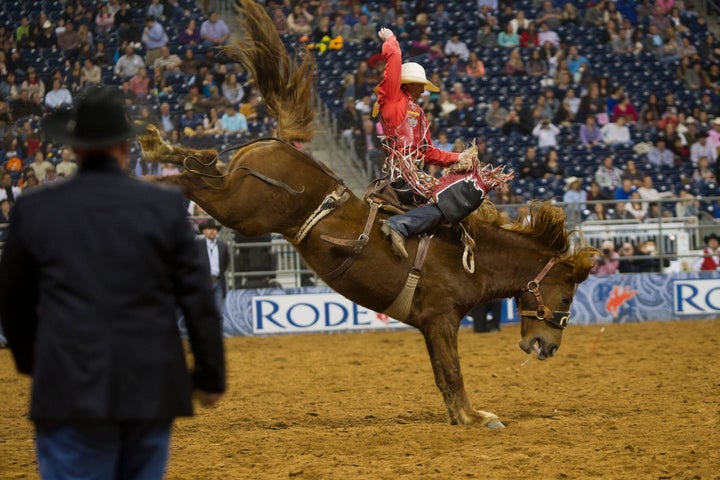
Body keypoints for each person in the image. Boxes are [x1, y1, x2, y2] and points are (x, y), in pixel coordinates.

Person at [0, 86, 226, 480]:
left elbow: (13, 302)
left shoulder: (34, 209)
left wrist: (33, 362)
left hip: (67, 384)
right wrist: (209, 376)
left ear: (73, 149)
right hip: (149, 385)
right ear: (124, 148)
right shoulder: (165, 208)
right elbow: (197, 298)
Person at [375, 28, 512, 258]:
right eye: (420, 84)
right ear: (408, 83)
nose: (423, 88)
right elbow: (394, 64)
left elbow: (427, 152)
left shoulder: (418, 112)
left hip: (414, 173)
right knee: (450, 204)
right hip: (401, 175)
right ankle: (399, 225)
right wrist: (391, 41)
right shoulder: (391, 98)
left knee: (454, 204)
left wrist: (458, 157)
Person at [196, 218, 230, 316]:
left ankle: (217, 331)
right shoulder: (197, 245)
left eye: (214, 229)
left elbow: (225, 262)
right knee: (203, 312)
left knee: (219, 313)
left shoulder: (222, 245)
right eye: (209, 229)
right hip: (203, 282)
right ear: (204, 231)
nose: (212, 231)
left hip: (218, 281)